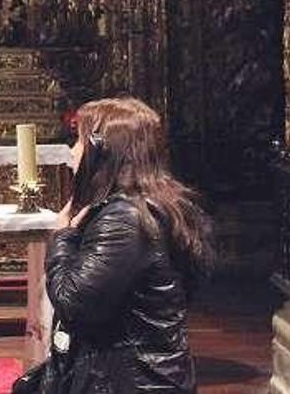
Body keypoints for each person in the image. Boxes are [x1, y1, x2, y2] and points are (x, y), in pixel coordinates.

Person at [22, 97, 214, 393]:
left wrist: (62, 237)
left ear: (103, 151)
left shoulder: (125, 219)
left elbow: (73, 302)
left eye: (80, 141)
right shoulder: (150, 205)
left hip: (129, 380)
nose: (72, 152)